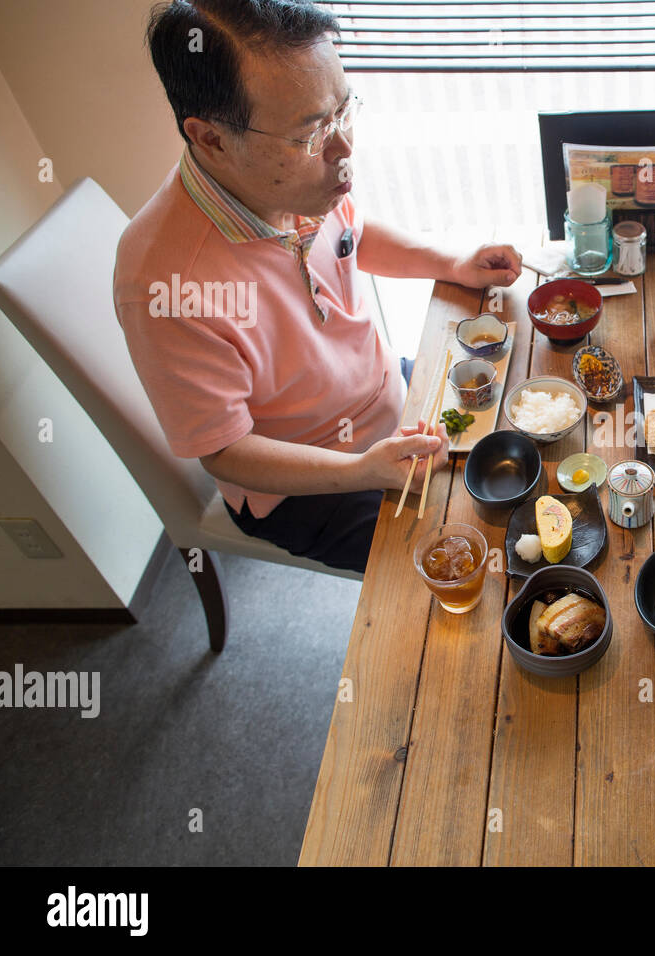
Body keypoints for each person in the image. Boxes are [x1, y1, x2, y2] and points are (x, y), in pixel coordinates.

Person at [114, 0, 522, 573]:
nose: (344, 149)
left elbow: (352, 235)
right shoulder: (163, 283)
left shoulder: (297, 181)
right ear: (210, 139)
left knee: (523, 445)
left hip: (385, 394)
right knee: (476, 561)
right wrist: (364, 471)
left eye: (343, 110)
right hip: (309, 483)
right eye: (311, 134)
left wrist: (453, 261)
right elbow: (225, 453)